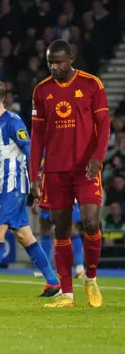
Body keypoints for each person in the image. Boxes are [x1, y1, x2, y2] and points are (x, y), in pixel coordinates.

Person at [0, 80, 61, 298]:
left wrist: (39, 183)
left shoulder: (12, 122)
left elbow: (32, 152)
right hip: (3, 187)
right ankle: (53, 283)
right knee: (25, 236)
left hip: (14, 186)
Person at [30, 39, 110, 308]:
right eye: (50, 61)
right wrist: (34, 175)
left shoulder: (91, 84)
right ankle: (67, 295)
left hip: (86, 167)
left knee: (90, 223)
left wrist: (97, 158)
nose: (54, 66)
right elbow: (37, 136)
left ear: (72, 57)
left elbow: (104, 124)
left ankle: (90, 278)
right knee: (60, 229)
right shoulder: (41, 91)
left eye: (59, 61)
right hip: (55, 170)